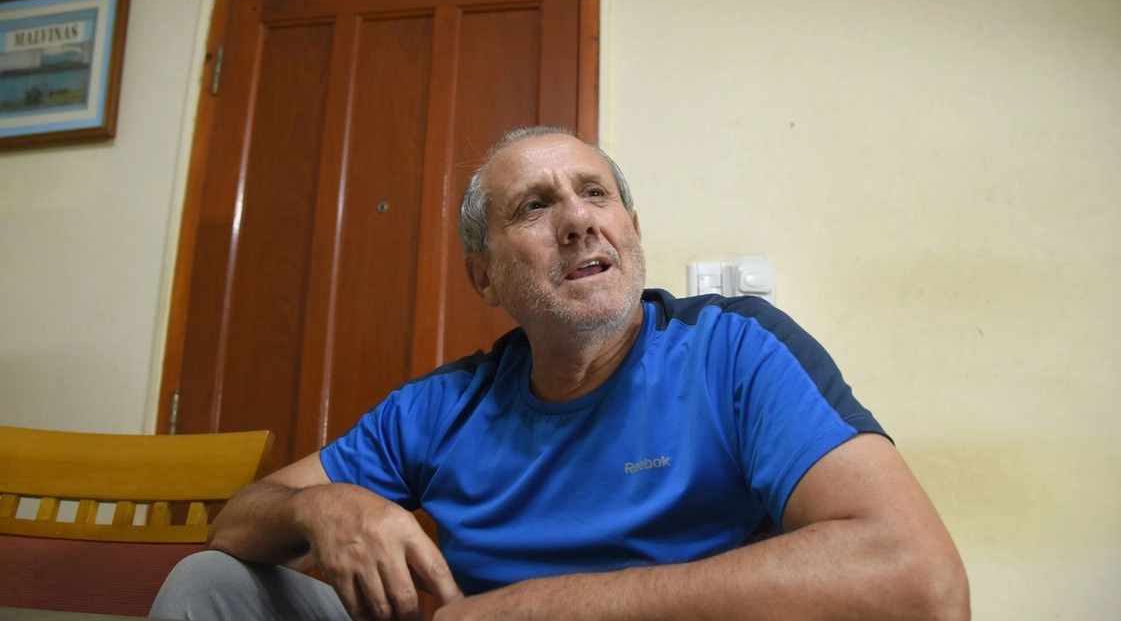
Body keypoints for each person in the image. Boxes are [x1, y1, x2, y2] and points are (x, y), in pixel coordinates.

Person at [151, 126, 969, 621]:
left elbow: (920, 583)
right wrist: (325, 506)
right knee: (211, 583)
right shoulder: (439, 407)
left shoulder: (733, 351)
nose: (577, 219)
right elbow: (236, 523)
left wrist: (543, 605)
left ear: (631, 230)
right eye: (534, 206)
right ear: (484, 276)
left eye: (594, 194)